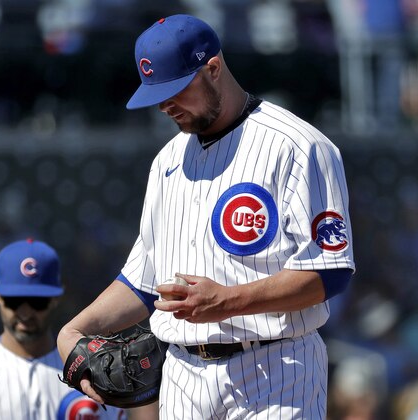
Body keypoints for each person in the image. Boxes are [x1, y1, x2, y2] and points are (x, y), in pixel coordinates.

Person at [57, 14, 355, 419]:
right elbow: (145, 282)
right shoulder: (167, 162)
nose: (165, 105)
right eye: (156, 94)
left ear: (212, 68)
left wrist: (229, 301)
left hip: (275, 373)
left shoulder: (299, 147)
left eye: (175, 90)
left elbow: (330, 272)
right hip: (182, 376)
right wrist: (75, 329)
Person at [0, 238, 126, 419]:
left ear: (57, 296)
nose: (26, 313)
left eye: (37, 301)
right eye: (15, 300)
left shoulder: (91, 372)